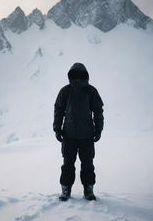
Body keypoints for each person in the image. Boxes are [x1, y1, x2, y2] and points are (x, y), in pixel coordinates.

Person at [53, 63, 104, 201]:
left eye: (80, 76)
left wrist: (98, 130)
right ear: (71, 76)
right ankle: (66, 190)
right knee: (68, 165)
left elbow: (98, 111)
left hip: (86, 136)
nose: (77, 79)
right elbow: (58, 110)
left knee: (87, 164)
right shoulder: (65, 91)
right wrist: (57, 129)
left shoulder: (91, 91)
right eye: (75, 76)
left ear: (85, 76)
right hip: (69, 136)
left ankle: (88, 190)